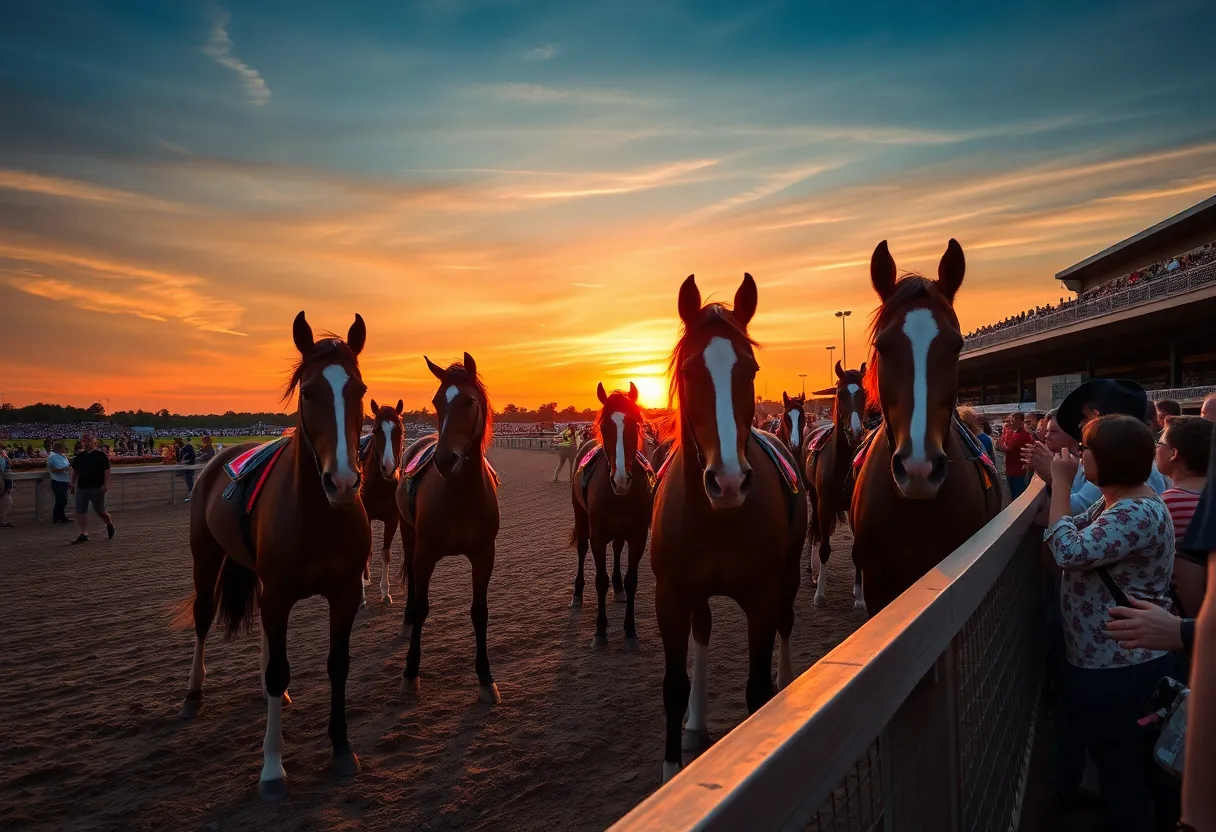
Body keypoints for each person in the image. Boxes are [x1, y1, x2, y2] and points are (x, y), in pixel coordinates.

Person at [1044, 414, 1180, 830]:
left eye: (1085, 450)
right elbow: (1066, 526)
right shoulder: (1118, 502)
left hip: (1123, 666)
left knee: (1123, 773)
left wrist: (1061, 485)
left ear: (1109, 459)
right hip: (1112, 661)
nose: (1079, 457)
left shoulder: (1134, 512)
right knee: (1121, 766)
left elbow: (1065, 548)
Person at [1054, 379, 1170, 502]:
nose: (1080, 424)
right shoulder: (1125, 466)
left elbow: (1075, 510)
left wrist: (1057, 480)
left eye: (1086, 417)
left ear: (1100, 419)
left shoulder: (1120, 471)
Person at [70, 434, 115, 544]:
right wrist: (72, 483)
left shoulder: (100, 455)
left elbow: (107, 470)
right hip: (82, 487)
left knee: (100, 512)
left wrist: (106, 484)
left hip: (97, 488)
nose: (85, 443)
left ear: (93, 442)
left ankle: (109, 524)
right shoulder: (80, 456)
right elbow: (75, 470)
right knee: (80, 511)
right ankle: (84, 533)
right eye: (84, 441)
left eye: (88, 441)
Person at [999, 411, 1034, 500]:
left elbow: (1007, 448)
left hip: (1019, 471)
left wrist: (1004, 433)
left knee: (1018, 496)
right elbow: (1000, 447)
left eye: (1012, 420)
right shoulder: (1014, 433)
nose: (1010, 422)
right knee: (1013, 494)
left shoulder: (1024, 435)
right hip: (1011, 469)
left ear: (1020, 421)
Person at [47, 441, 72, 524]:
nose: (65, 448)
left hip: (63, 480)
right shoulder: (54, 457)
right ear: (59, 448)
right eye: (63, 447)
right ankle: (56, 518)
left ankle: (61, 517)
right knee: (61, 500)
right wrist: (69, 466)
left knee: (62, 500)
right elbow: (62, 468)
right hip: (58, 481)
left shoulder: (61, 456)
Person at [178, 437, 197, 502]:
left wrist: (185, 462)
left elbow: (191, 458)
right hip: (187, 468)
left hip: (188, 468)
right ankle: (191, 494)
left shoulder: (188, 448)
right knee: (189, 482)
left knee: (190, 482)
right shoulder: (186, 448)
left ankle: (192, 496)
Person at [0, 443, 13, 529]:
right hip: (2, 481)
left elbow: (8, 466)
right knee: (6, 500)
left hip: (3, 479)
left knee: (6, 500)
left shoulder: (3, 456)